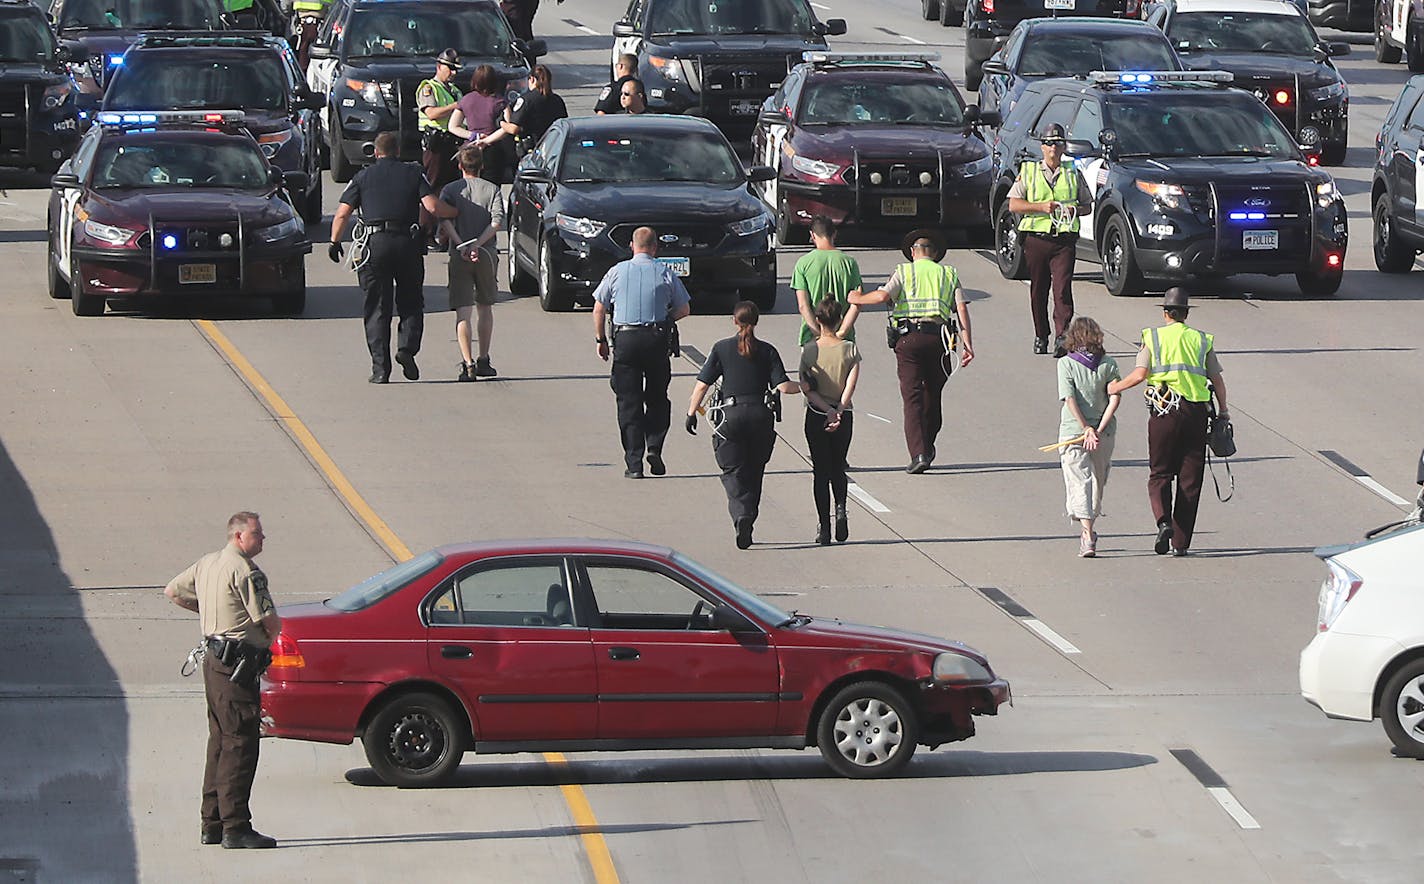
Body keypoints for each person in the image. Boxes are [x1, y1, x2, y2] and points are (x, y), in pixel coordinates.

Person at [163, 512, 281, 850]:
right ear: (239, 536)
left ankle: (211, 823)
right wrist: (264, 636)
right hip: (238, 666)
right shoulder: (246, 571)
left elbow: (173, 591)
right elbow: (270, 622)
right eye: (258, 534)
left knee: (219, 740)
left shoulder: (207, 563)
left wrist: (211, 613)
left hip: (214, 661)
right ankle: (236, 827)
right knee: (240, 743)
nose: (262, 539)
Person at [1107, 287, 1228, 557]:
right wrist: (1224, 412)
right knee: (1190, 478)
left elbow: (1140, 374)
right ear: (1186, 314)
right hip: (1196, 413)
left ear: (1165, 313)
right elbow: (1217, 380)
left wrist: (1115, 388)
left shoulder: (1152, 337)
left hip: (1164, 411)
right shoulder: (1201, 339)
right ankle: (1181, 543)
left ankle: (1163, 523)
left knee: (1160, 473)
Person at [329, 131, 457, 383]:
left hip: (374, 245)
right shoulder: (413, 172)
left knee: (377, 306)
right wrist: (456, 211)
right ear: (397, 151)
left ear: (376, 153)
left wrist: (335, 242)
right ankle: (406, 349)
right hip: (406, 243)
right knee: (410, 301)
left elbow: (343, 213)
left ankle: (380, 369)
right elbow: (432, 206)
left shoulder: (362, 176)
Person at [850, 229, 974, 474]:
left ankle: (918, 454)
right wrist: (968, 344)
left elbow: (883, 295)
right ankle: (927, 444)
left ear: (912, 252)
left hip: (909, 340)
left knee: (912, 397)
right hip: (940, 340)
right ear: (935, 254)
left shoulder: (904, 271)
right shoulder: (949, 274)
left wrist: (857, 297)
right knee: (933, 394)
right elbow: (961, 310)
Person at [687, 302, 802, 549]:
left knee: (732, 471)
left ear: (734, 321)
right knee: (755, 471)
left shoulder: (721, 348)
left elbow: (702, 384)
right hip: (760, 416)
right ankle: (748, 516)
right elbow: (783, 387)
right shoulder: (768, 351)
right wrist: (806, 386)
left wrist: (691, 412)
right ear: (756, 322)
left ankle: (741, 515)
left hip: (730, 416)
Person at [592, 226, 692, 478]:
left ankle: (634, 463)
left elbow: (599, 308)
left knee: (628, 402)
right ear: (655, 247)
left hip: (625, 339)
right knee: (657, 397)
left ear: (631, 246)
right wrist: (665, 318)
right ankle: (654, 447)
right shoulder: (665, 273)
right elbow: (684, 309)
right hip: (656, 339)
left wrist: (601, 339)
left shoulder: (617, 272)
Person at [1008, 122, 1092, 357]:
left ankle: (1062, 337)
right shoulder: (1029, 171)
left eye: (1057, 143)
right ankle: (1040, 335)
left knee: (1062, 290)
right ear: (1042, 147)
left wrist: (1074, 210)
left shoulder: (1073, 172)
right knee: (1038, 291)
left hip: (1063, 241)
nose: (1052, 148)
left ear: (1063, 146)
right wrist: (1040, 207)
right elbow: (1014, 204)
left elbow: (1087, 205)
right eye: (1048, 143)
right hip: (1036, 239)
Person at [1055, 316, 1122, 558]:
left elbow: (1069, 399)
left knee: (1079, 481)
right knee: (1098, 480)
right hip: (1104, 434)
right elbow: (1115, 397)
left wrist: (1085, 429)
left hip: (1074, 433)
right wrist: (1098, 428)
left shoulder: (1066, 364)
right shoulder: (1109, 364)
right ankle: (1089, 529)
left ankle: (1087, 534)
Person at [799, 296, 861, 545]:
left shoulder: (809, 350)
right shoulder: (850, 349)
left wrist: (826, 410)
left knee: (820, 471)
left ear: (818, 320)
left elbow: (806, 387)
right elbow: (851, 383)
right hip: (843, 415)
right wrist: (840, 409)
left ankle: (824, 526)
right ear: (838, 320)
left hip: (816, 414)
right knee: (838, 466)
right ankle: (841, 509)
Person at [438, 147, 504, 381]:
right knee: (485, 306)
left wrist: (463, 245)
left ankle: (468, 363)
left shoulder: (451, 190)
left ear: (460, 166)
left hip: (459, 254)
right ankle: (484, 358)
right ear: (481, 166)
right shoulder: (492, 189)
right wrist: (478, 244)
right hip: (486, 252)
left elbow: (445, 220)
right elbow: (496, 222)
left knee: (463, 311)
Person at [791, 215, 861, 346]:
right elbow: (856, 303)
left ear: (812, 235)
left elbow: (803, 305)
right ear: (834, 233)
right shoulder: (849, 263)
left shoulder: (803, 263)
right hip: (844, 340)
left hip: (812, 338)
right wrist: (841, 332)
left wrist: (818, 333)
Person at [416, 49, 465, 232]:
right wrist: (455, 106)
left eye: (456, 70)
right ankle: (427, 232)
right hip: (435, 145)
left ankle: (446, 233)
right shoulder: (428, 87)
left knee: (452, 188)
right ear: (439, 66)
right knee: (432, 187)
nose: (454, 73)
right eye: (450, 68)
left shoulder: (455, 91)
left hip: (453, 144)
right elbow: (431, 113)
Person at [447, 64, 514, 186]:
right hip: (493, 152)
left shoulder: (466, 100)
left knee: (469, 188)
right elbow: (508, 127)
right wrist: (487, 140)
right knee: (491, 189)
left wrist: (474, 136)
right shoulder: (500, 101)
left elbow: (452, 126)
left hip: (470, 150)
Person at [502, 64, 567, 158]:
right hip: (554, 147)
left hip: (532, 150)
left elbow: (514, 128)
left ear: (532, 79)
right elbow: (563, 124)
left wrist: (502, 123)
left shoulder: (526, 100)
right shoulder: (557, 100)